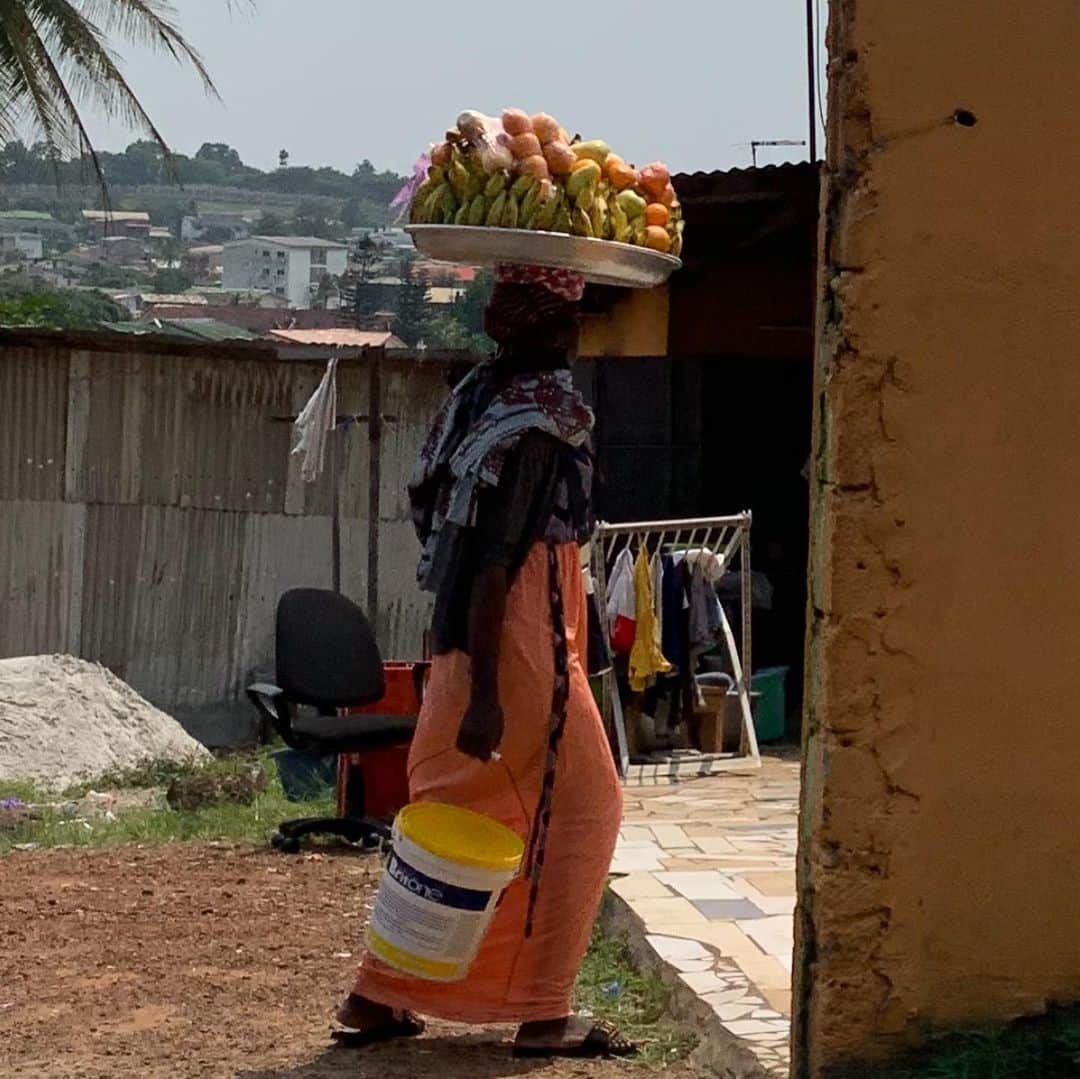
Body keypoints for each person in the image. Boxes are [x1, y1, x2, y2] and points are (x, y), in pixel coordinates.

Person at [334, 263, 630, 1059]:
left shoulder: (478, 401)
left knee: (460, 813)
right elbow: (497, 559)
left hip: (470, 638)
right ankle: (541, 1013)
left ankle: (378, 996)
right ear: (551, 332)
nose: (576, 336)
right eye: (569, 321)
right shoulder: (540, 421)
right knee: (582, 813)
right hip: (517, 638)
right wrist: (491, 695)